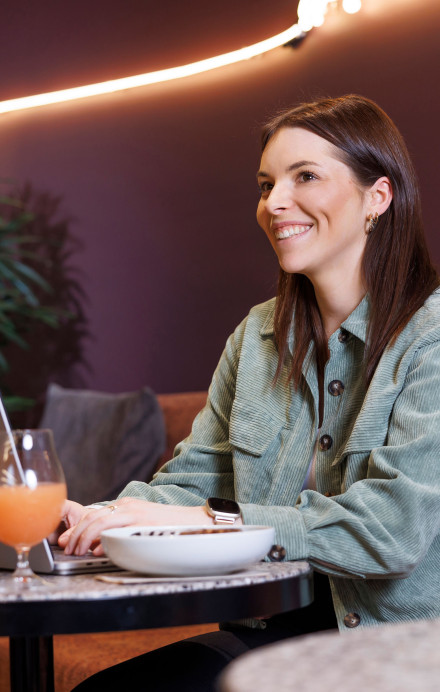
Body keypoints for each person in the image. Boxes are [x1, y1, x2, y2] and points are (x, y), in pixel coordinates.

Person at [59, 94, 440, 691]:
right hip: (270, 630)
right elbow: (192, 479)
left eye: (305, 176)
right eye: (266, 184)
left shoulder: (431, 338)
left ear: (378, 197)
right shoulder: (258, 337)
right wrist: (101, 515)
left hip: (396, 647)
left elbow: (391, 532)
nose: (274, 203)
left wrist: (211, 521)